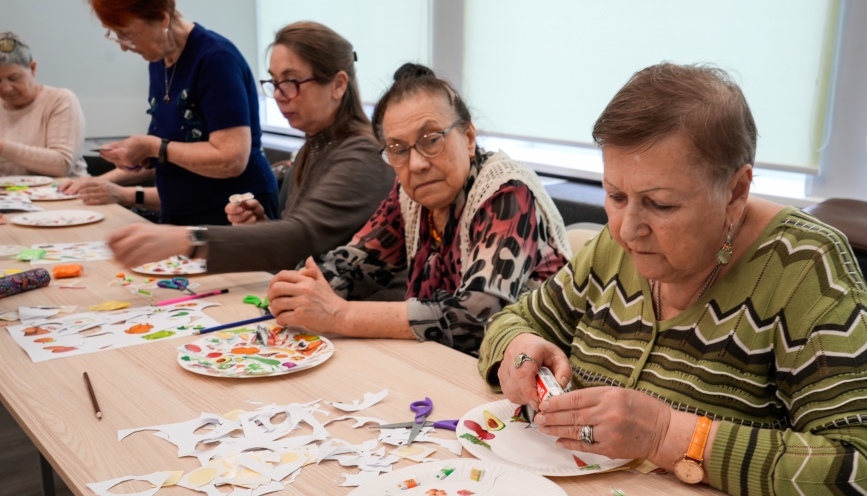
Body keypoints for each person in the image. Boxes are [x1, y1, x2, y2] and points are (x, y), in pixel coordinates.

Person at [479, 63, 867, 496]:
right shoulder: (614, 247)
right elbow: (514, 321)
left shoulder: (803, 269)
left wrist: (669, 435)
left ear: (735, 192)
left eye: (661, 204)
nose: (627, 229)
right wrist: (518, 348)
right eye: (615, 195)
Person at [266, 64, 572, 355]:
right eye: (398, 149)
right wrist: (302, 290)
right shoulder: (412, 196)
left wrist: (341, 314)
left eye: (431, 140)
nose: (416, 164)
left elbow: (477, 318)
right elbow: (356, 264)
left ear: (468, 138)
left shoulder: (507, 191)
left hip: (535, 373)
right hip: (442, 365)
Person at [106, 22, 395, 274]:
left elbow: (302, 238)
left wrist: (189, 240)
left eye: (291, 81)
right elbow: (308, 241)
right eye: (274, 81)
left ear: (338, 84)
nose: (279, 95)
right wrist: (261, 225)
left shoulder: (361, 155)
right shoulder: (316, 145)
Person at [60, 0, 278, 226]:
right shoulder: (159, 62)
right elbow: (169, 155)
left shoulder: (216, 59)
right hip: (182, 212)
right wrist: (97, 181)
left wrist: (152, 146)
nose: (124, 47)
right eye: (116, 35)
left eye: (128, 35)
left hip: (234, 215)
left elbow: (231, 159)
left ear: (163, 19)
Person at [0, 32, 87, 178]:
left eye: (14, 78)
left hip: (63, 190)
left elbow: (62, 165)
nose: (6, 88)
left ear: (32, 68)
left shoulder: (60, 100)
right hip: (10, 191)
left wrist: (3, 147)